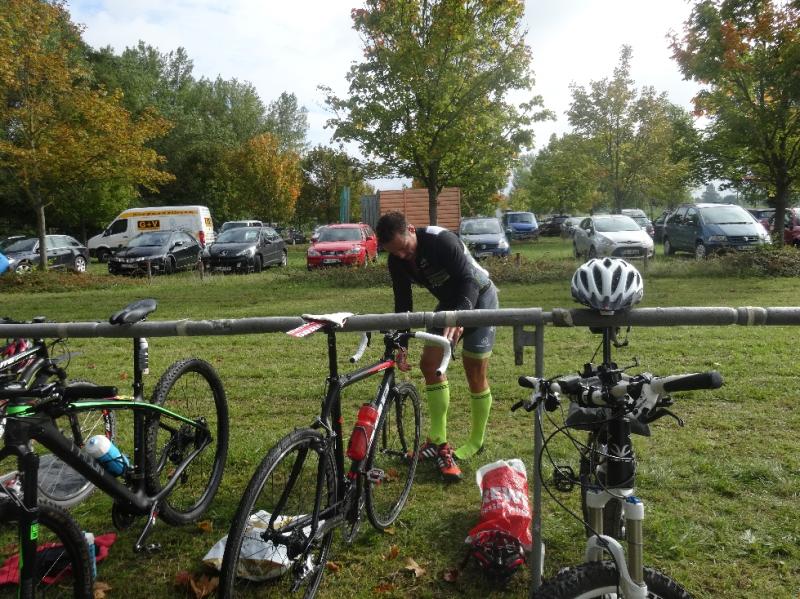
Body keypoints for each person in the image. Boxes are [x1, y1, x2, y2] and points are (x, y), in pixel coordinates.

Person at [376, 212, 499, 483]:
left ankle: (476, 440)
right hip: (448, 305)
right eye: (394, 252)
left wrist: (460, 317)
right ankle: (437, 440)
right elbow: (403, 304)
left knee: (474, 371)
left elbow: (469, 280)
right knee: (429, 365)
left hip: (480, 298)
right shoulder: (397, 260)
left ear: (411, 229)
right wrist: (402, 343)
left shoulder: (441, 240)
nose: (402, 256)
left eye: (404, 248)